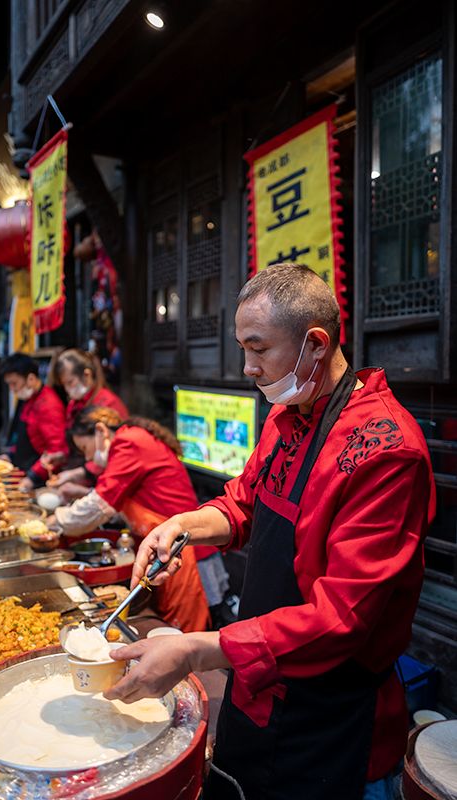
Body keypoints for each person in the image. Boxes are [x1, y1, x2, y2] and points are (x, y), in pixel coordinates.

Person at [104, 263, 436, 800]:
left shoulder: (385, 451)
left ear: (315, 344)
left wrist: (195, 651)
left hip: (332, 714)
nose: (248, 368)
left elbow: (342, 618)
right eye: (242, 348)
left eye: (259, 349)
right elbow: (246, 504)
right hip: (257, 674)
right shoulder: (288, 415)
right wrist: (181, 525)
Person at [50, 406, 210, 633]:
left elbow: (95, 508)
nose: (87, 458)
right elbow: (121, 502)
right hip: (166, 547)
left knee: (182, 633)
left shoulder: (128, 442)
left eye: (85, 448)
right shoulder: (130, 439)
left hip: (185, 549)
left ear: (100, 431)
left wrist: (54, 520)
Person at [45, 348, 129, 500]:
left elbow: (113, 454)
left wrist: (76, 474)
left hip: (102, 484)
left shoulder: (107, 404)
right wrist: (62, 456)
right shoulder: (73, 404)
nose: (67, 389)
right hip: (82, 481)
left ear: (87, 375)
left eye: (70, 382)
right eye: (64, 385)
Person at [0, 353, 67, 491]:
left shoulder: (48, 405)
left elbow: (56, 450)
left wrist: (33, 476)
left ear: (30, 378)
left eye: (14, 384)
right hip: (23, 471)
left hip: (40, 480)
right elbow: (23, 437)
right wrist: (10, 455)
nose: (12, 389)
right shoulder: (29, 399)